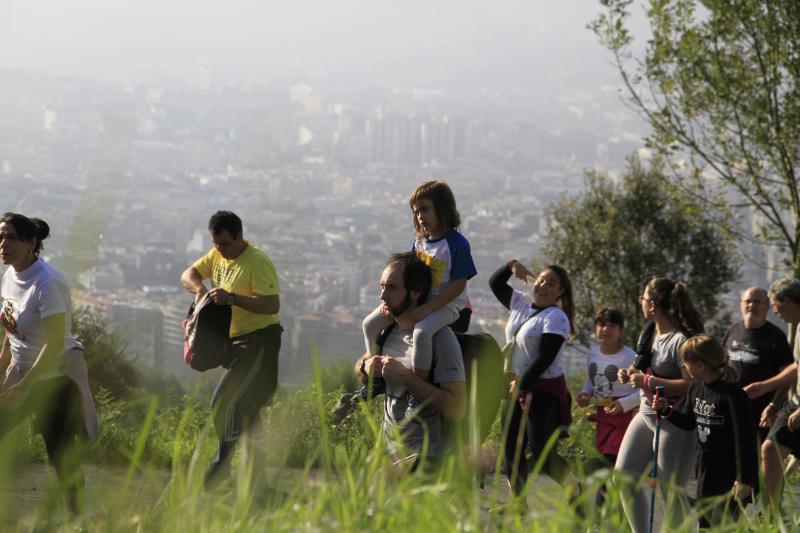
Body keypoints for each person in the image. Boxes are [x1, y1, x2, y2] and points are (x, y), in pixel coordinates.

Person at [0, 212, 99, 514]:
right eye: (1, 236)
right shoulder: (9, 275)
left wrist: (25, 386)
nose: (3, 243)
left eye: (11, 237)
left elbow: (55, 341)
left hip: (54, 379)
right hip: (24, 372)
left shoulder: (48, 282)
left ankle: (79, 519)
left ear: (32, 242)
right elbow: (11, 328)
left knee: (61, 455)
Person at [180, 210, 282, 487]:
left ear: (239, 236)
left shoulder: (256, 261)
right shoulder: (217, 256)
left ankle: (220, 468)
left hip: (259, 341)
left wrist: (233, 298)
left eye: (225, 243)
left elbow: (272, 305)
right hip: (233, 344)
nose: (220, 249)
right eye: (215, 243)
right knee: (248, 410)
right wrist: (200, 291)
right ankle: (257, 480)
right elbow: (188, 274)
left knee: (225, 401)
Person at [362, 180, 476, 412]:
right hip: (419, 299)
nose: (420, 216)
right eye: (416, 211)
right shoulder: (420, 242)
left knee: (423, 333)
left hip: (447, 305)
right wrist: (389, 302)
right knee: (370, 323)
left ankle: (417, 389)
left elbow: (459, 285)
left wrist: (429, 308)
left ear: (442, 209)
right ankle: (375, 377)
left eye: (425, 209)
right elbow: (408, 274)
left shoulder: (456, 243)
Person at [354, 252, 466, 469]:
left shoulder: (440, 339)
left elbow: (457, 408)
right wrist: (365, 366)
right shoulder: (386, 332)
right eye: (382, 286)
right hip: (386, 454)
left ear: (415, 292)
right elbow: (360, 373)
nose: (382, 296)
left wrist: (406, 378)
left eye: (392, 287)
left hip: (425, 459)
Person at [615, 277, 703, 533]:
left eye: (642, 298)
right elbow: (641, 365)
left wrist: (649, 380)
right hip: (645, 416)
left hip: (674, 422)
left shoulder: (680, 340)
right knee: (624, 476)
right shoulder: (650, 331)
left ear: (652, 304)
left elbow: (691, 384)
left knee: (670, 490)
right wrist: (629, 373)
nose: (640, 302)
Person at [489, 260, 574, 495]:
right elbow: (495, 283)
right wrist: (511, 266)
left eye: (552, 283)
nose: (544, 286)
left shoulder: (556, 318)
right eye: (542, 279)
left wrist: (522, 383)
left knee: (542, 454)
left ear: (560, 292)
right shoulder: (521, 302)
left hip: (542, 392)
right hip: (516, 386)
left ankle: (578, 495)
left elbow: (545, 357)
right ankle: (518, 506)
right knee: (510, 448)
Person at [657, 335, 758, 529]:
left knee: (723, 525)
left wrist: (744, 479)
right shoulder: (695, 387)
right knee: (704, 524)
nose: (685, 368)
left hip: (731, 475)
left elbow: (747, 439)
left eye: (686, 363)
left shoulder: (732, 395)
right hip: (707, 469)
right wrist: (666, 411)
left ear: (700, 365)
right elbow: (688, 422)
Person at [723, 287, 794, 441]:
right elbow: (723, 365)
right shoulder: (733, 330)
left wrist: (773, 406)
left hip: (761, 413)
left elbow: (788, 376)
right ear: (741, 304)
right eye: (748, 301)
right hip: (732, 408)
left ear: (767, 306)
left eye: (757, 302)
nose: (752, 306)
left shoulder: (776, 337)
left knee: (756, 456)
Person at [755, 277, 800, 513]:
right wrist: (765, 386)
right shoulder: (799, 325)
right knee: (769, 449)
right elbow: (797, 366)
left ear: (790, 302)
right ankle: (770, 516)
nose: (774, 311)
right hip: (796, 402)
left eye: (776, 305)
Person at [576, 307, 638, 470]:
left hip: (623, 415)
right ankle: (607, 495)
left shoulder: (631, 357)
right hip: (602, 414)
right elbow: (591, 379)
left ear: (621, 331)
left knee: (608, 460)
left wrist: (624, 404)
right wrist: (585, 394)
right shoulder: (592, 354)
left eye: (612, 326)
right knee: (603, 458)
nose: (605, 329)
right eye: (601, 325)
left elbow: (641, 388)